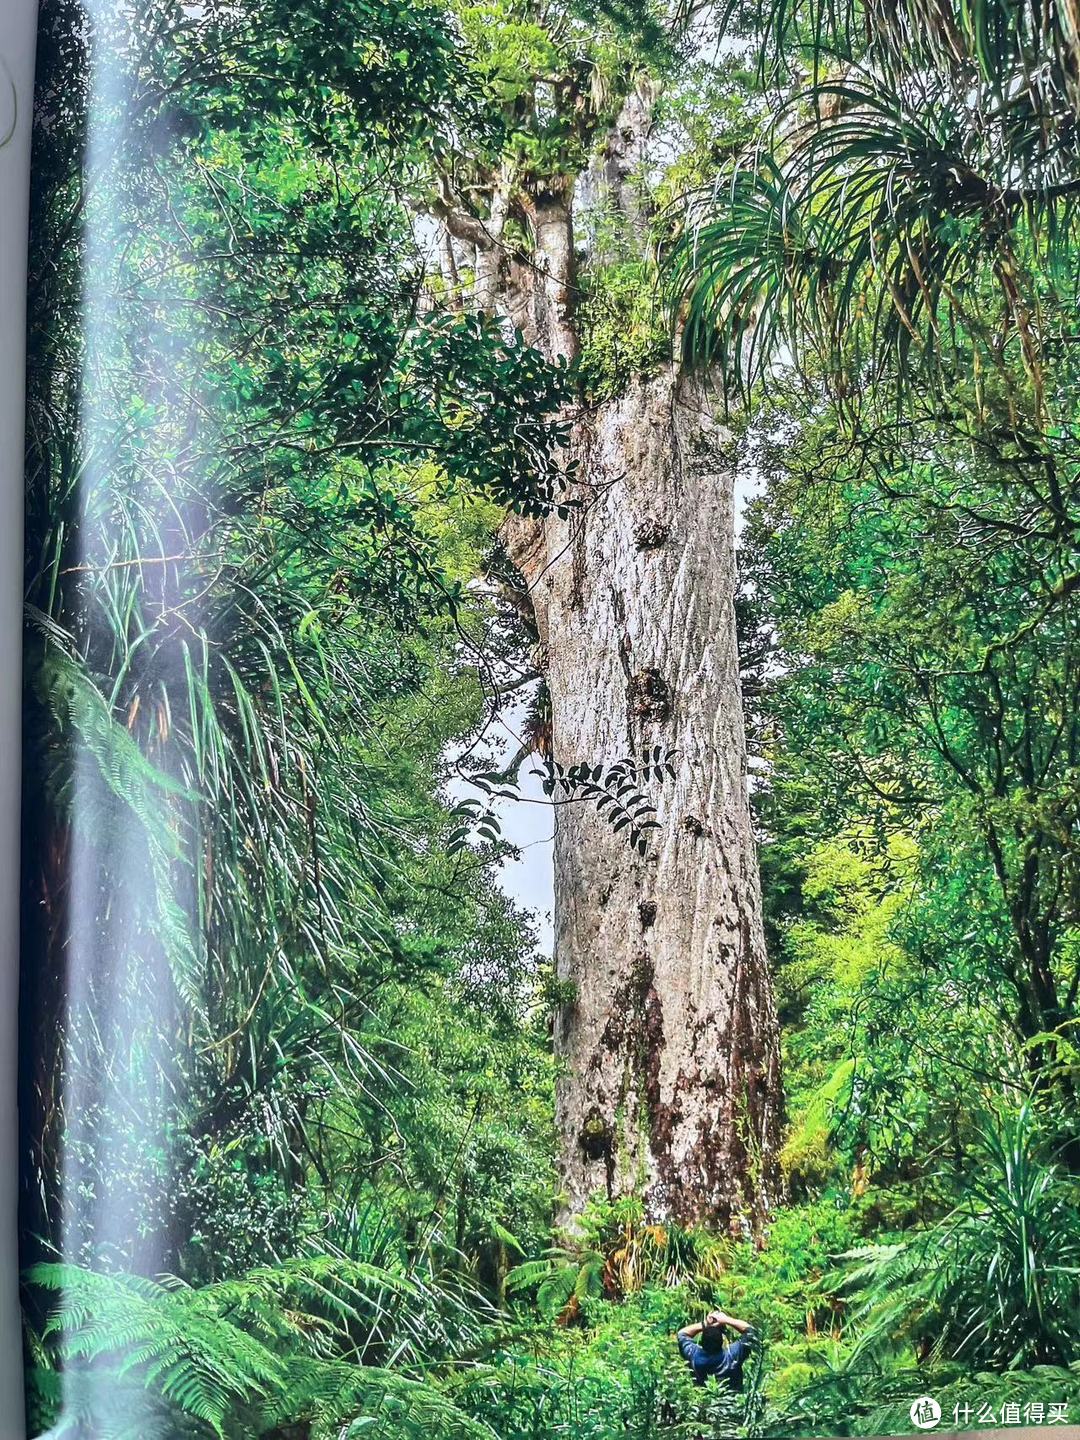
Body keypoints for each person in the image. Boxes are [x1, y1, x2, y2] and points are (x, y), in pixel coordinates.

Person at [675, 1307, 758, 1389]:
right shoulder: (732, 1356)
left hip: (703, 1400)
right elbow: (751, 1332)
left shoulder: (693, 1356)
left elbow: (682, 1334)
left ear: (702, 1342)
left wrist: (705, 1324)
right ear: (721, 1342)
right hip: (733, 1401)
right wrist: (726, 1319)